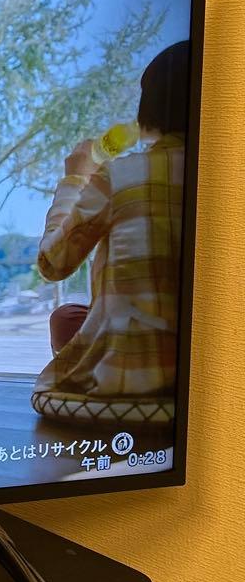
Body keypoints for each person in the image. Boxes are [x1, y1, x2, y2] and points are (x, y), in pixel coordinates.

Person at [32, 41, 188, 426]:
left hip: (132, 380)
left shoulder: (122, 174)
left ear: (150, 109)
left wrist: (74, 179)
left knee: (65, 318)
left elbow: (52, 263)